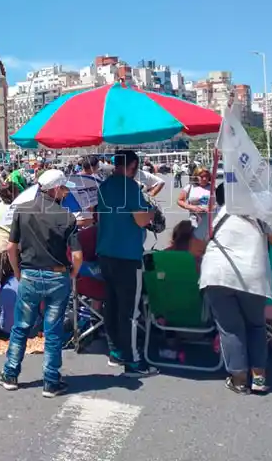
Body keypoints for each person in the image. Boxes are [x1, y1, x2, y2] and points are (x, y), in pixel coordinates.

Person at [203, 183, 272, 394]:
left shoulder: (213, 216)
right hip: (252, 276)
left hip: (217, 275)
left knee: (230, 327)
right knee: (255, 326)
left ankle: (239, 379)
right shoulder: (260, 214)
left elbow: (196, 245)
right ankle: (259, 378)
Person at [0, 170, 83, 398]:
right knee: (52, 331)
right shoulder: (67, 216)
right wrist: (72, 273)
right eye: (63, 189)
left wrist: (17, 272)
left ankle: (10, 374)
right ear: (54, 189)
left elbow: (11, 247)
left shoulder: (22, 211)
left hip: (30, 275)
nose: (65, 193)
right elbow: (77, 256)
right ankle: (51, 381)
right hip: (57, 277)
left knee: (21, 326)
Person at [96, 149, 158, 377]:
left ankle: (116, 352)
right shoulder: (130, 188)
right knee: (130, 311)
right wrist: (151, 212)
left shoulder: (104, 186)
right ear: (132, 165)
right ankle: (133, 361)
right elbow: (141, 220)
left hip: (105, 252)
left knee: (110, 305)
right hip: (127, 255)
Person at [0, 183, 18, 334]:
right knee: (12, 275)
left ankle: (1, 306)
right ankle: (8, 309)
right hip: (8, 245)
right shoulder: (14, 209)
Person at [177, 168, 213, 241]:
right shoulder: (190, 187)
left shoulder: (213, 188)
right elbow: (179, 200)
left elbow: (219, 203)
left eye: (206, 176)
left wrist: (211, 208)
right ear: (196, 176)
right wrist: (191, 207)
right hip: (194, 222)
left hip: (209, 222)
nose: (204, 178)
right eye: (201, 176)